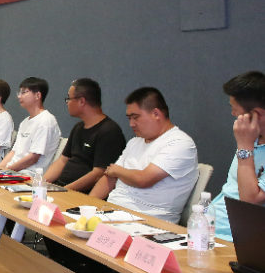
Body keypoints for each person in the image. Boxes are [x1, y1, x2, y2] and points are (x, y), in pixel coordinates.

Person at [91, 87, 198, 224]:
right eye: (129, 118)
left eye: (136, 117)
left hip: (150, 221)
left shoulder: (180, 142)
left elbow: (143, 180)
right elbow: (109, 177)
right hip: (113, 212)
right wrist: (87, 207)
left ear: (156, 114)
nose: (131, 124)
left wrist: (118, 171)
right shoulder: (134, 142)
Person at [44, 78, 126, 192]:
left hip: (79, 194)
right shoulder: (78, 127)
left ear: (82, 101)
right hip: (61, 188)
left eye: (69, 99)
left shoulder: (109, 132)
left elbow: (98, 174)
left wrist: (63, 191)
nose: (67, 103)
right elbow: (63, 160)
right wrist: (42, 184)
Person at [210, 71, 265, 241]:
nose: (233, 114)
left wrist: (244, 147)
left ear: (257, 114)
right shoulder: (252, 138)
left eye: (234, 108)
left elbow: (249, 202)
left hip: (237, 239)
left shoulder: (246, 142)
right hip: (209, 228)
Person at [1, 77, 61, 173]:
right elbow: (13, 152)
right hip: (12, 172)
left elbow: (33, 158)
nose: (19, 96)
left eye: (23, 92)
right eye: (19, 92)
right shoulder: (24, 122)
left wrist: (6, 171)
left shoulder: (46, 120)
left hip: (28, 174)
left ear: (37, 95)